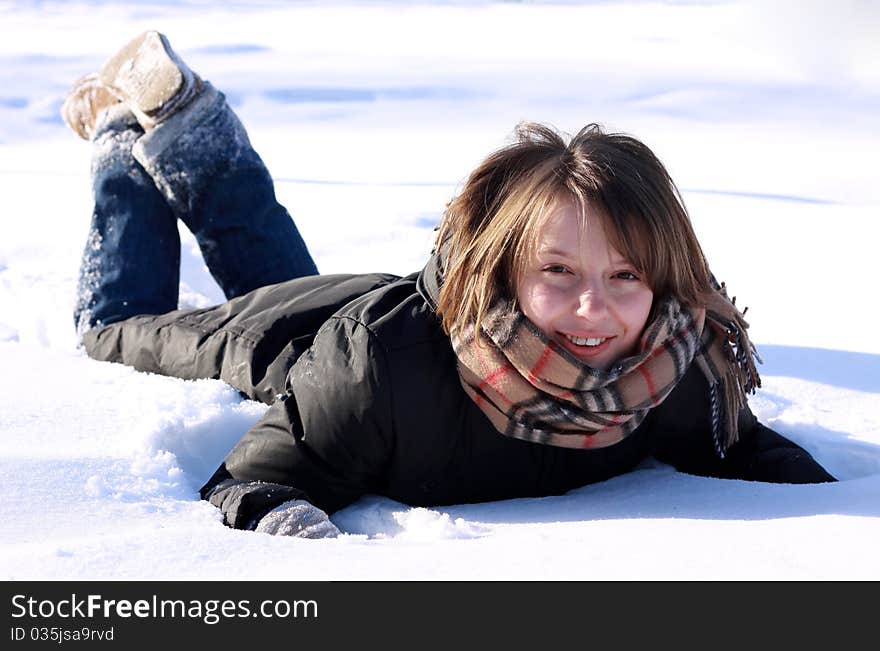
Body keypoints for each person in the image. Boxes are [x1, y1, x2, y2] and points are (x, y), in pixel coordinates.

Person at [63, 31, 836, 539]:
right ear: (505, 269)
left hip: (350, 318)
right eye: (558, 272)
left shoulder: (668, 363)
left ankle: (191, 126)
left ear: (662, 282)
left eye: (626, 275)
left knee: (287, 276)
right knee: (120, 328)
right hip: (294, 346)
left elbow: (741, 448)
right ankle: (120, 144)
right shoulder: (381, 370)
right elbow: (256, 475)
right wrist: (300, 540)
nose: (595, 308)